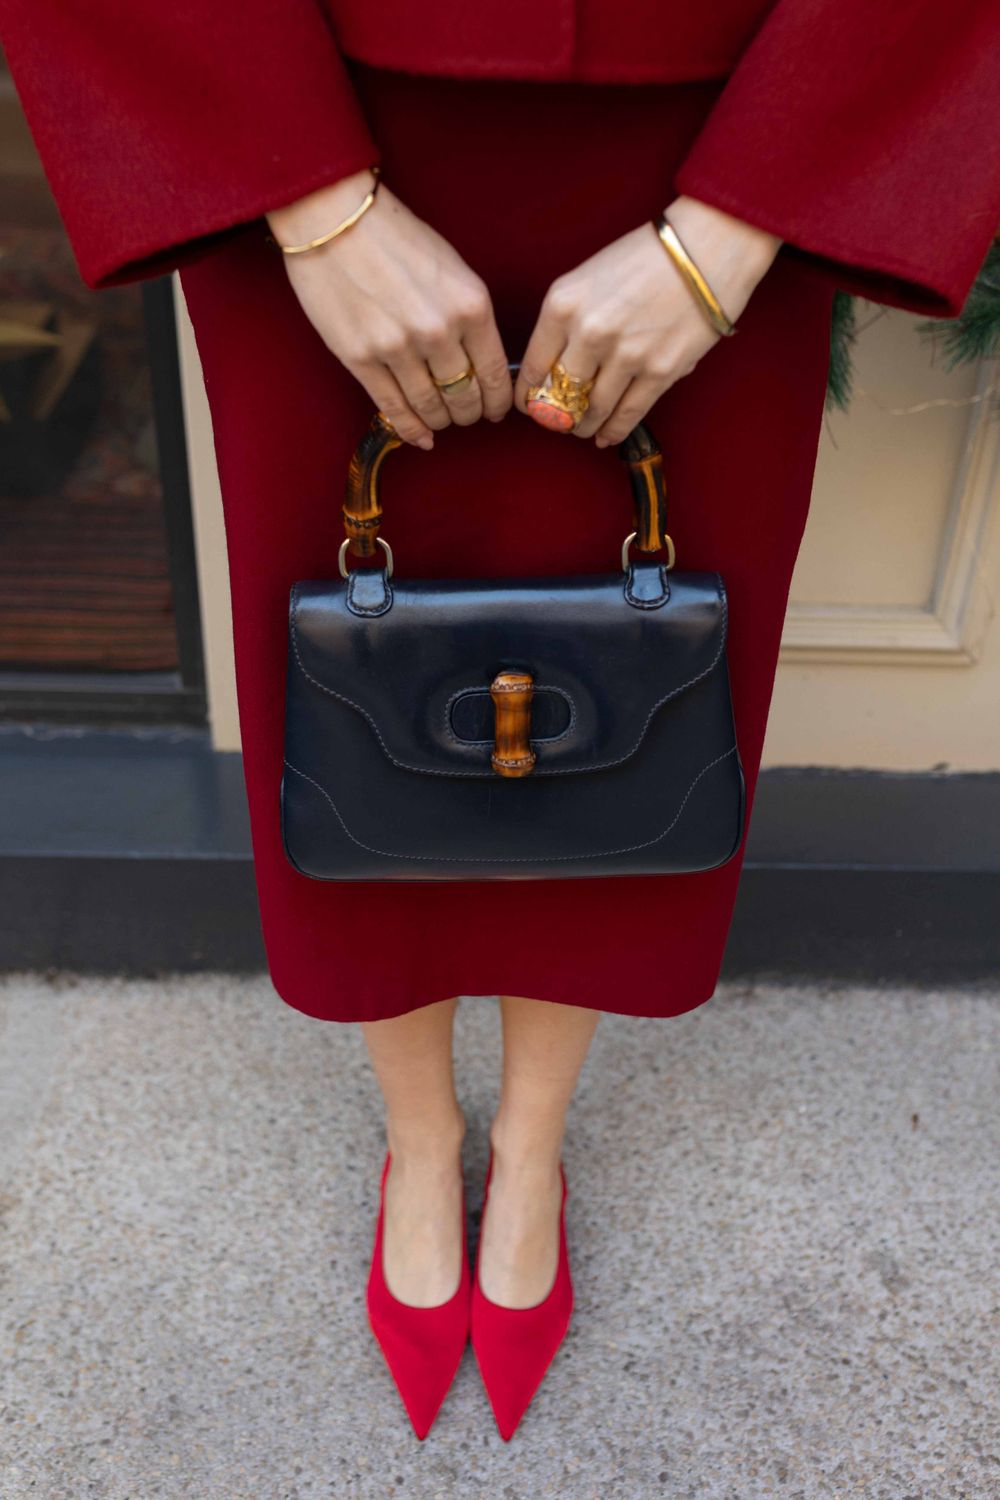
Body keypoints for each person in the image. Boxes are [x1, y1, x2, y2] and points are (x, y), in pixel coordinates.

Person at [3, 0, 998, 1444]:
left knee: (639, 697)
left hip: (723, 125)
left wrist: (742, 218)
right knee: (352, 684)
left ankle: (530, 1150)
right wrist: (309, 197)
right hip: (311, 101)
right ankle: (423, 1140)